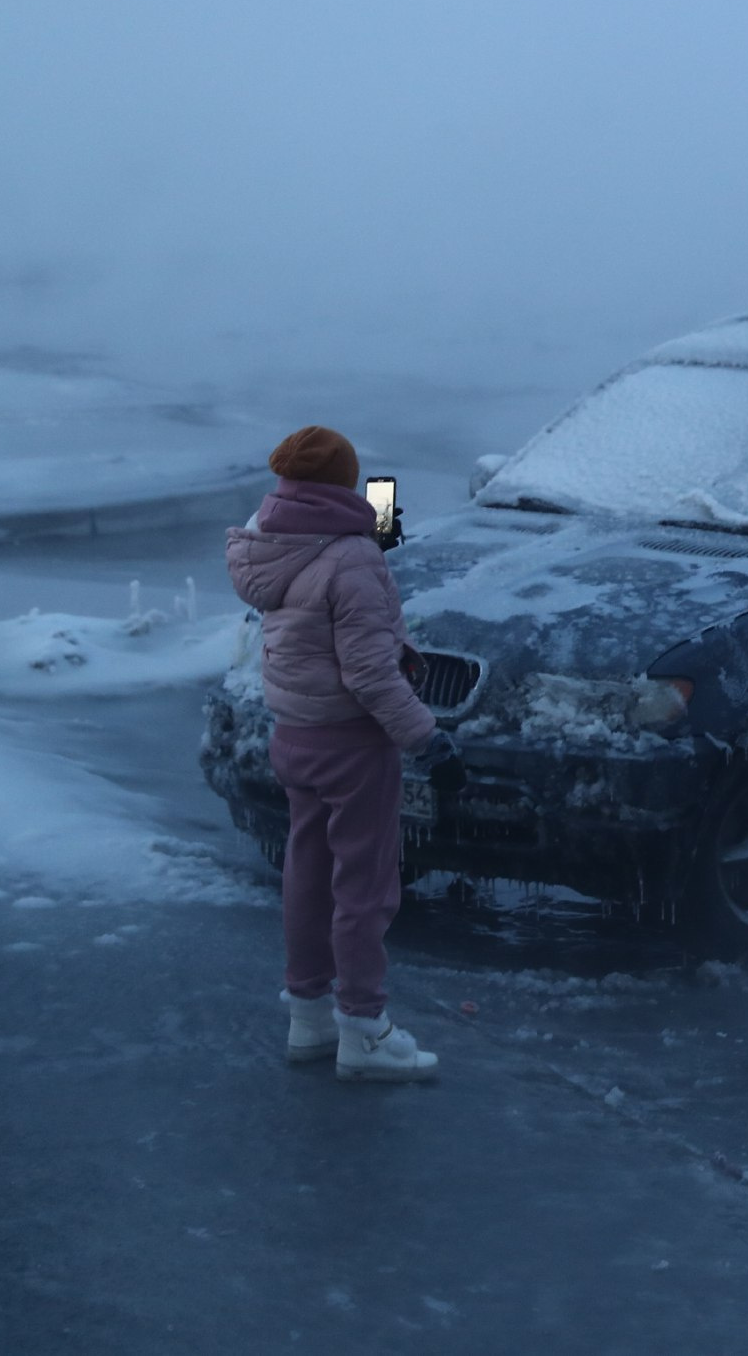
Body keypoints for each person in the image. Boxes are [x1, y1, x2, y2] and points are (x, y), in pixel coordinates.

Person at [226, 425, 460, 1083]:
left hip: (295, 731)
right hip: (353, 743)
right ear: (343, 485)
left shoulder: (271, 538)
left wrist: (366, 539)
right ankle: (364, 1030)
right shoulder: (352, 555)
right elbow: (368, 671)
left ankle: (310, 1018)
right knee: (364, 887)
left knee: (308, 874)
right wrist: (427, 738)